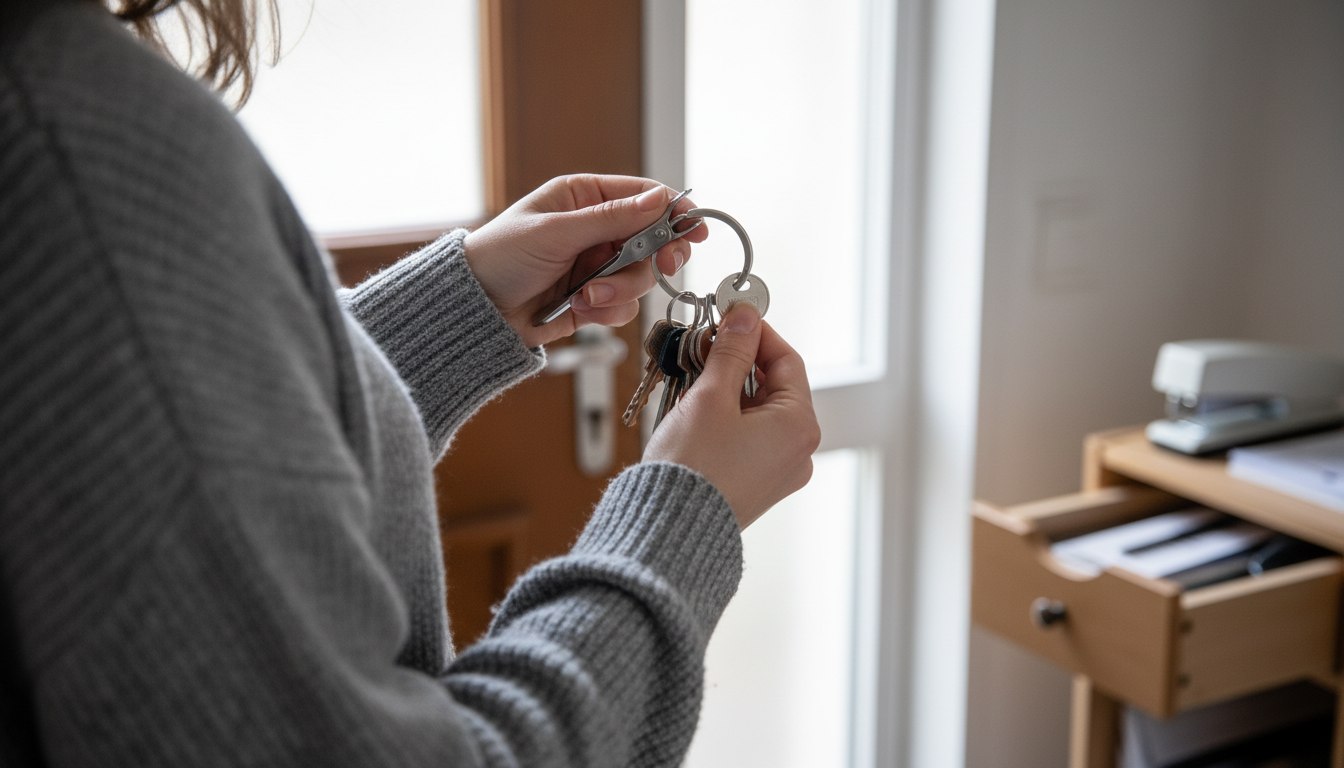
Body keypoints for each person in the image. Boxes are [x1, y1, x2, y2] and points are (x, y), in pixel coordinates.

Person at [0, 0, 820, 766]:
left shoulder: (64, 129)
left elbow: (209, 431)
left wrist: (461, 308)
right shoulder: (78, 162)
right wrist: (683, 515)